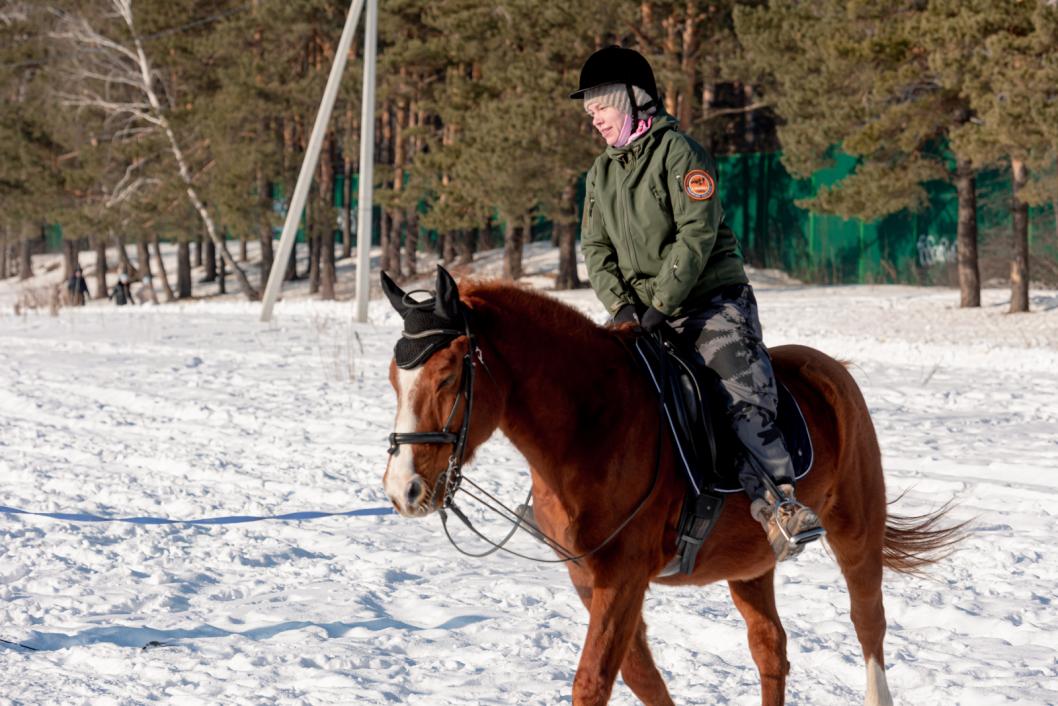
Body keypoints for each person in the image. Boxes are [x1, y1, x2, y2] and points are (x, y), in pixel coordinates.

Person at [572, 45, 821, 561]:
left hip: (708, 300)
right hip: (637, 313)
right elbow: (594, 248)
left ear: (634, 100)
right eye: (588, 108)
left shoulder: (681, 155)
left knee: (737, 386)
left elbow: (696, 232)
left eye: (600, 104)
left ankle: (779, 504)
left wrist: (661, 303)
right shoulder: (600, 174)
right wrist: (621, 309)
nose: (592, 117)